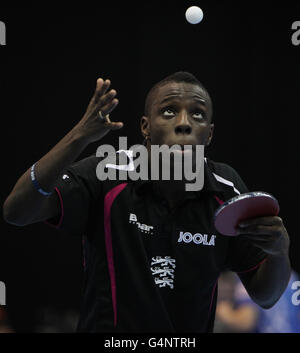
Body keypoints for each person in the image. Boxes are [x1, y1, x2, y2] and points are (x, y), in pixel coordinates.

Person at [3, 71, 291, 333]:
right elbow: (17, 211)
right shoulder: (107, 175)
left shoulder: (226, 189)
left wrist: (279, 253)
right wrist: (80, 136)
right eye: (168, 112)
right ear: (146, 127)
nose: (183, 124)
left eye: (198, 115)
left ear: (210, 134)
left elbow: (266, 296)